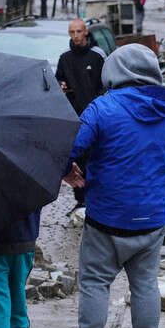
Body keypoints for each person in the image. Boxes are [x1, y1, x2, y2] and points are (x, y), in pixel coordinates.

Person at [52, 44, 165, 328]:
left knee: (94, 284)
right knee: (146, 286)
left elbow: (69, 146)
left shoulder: (101, 109)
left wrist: (66, 170)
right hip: (151, 221)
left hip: (106, 219)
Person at [55, 18, 106, 208]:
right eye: (72, 32)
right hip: (74, 116)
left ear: (86, 32)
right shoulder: (65, 58)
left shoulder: (97, 56)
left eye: (78, 31)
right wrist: (62, 86)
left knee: (95, 157)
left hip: (96, 116)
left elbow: (106, 85)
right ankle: (80, 199)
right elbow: (58, 80)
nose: (75, 36)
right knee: (76, 157)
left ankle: (95, 197)